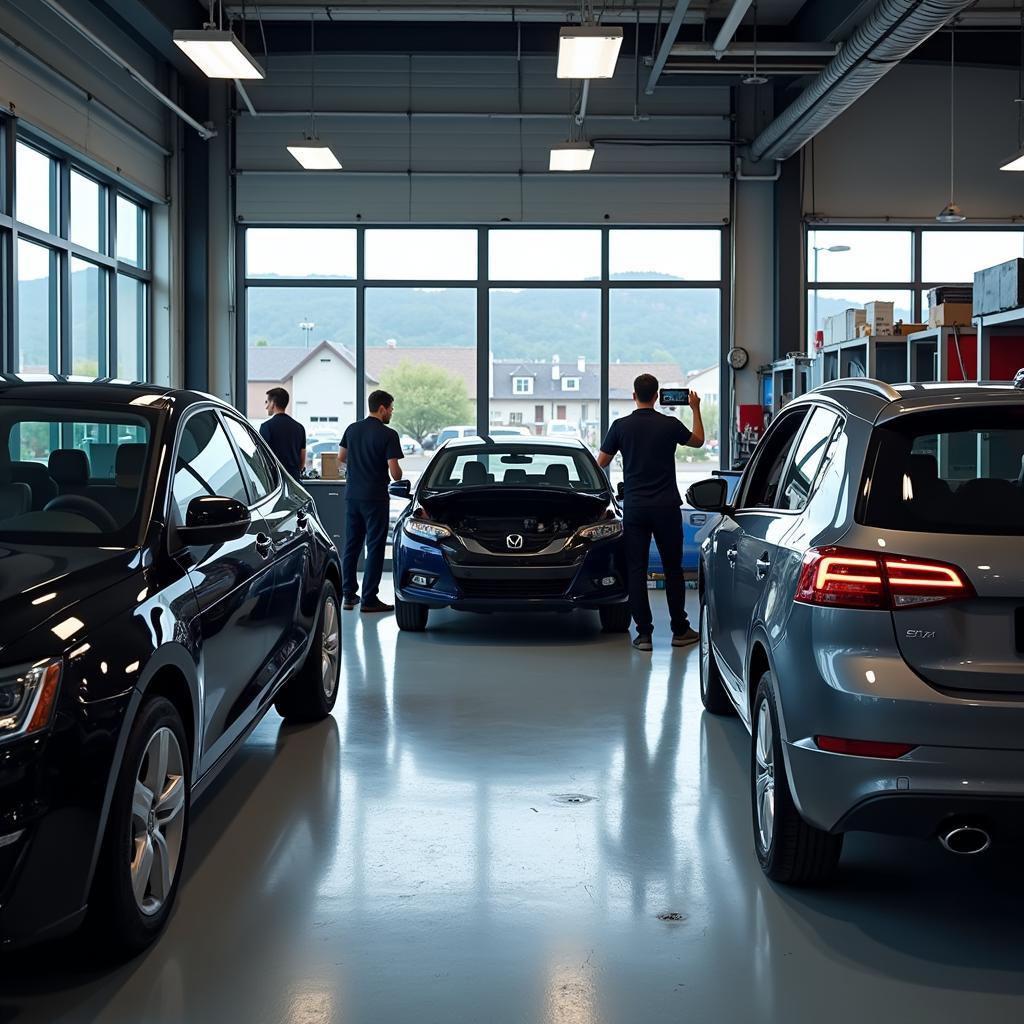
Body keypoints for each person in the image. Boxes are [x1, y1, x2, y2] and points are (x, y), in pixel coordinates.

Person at [597, 373, 704, 652]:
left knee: (636, 569)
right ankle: (680, 630)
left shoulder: (620, 426)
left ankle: (643, 634)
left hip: (635, 507)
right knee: (673, 569)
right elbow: (698, 441)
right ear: (656, 396)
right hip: (666, 507)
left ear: (634, 396)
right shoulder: (669, 424)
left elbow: (601, 462)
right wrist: (695, 408)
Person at [339, 389, 404, 614]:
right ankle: (369, 599)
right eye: (391, 409)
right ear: (383, 408)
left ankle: (348, 596)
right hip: (375, 497)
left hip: (352, 495)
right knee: (375, 547)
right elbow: (395, 473)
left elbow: (340, 457)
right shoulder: (388, 434)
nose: (392, 413)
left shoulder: (352, 429)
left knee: (351, 545)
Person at [259, 387, 306, 479]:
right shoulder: (299, 428)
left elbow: (262, 457)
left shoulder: (266, 427)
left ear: (273, 403)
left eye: (267, 402)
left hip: (274, 481)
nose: (266, 407)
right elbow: (302, 460)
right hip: (294, 480)